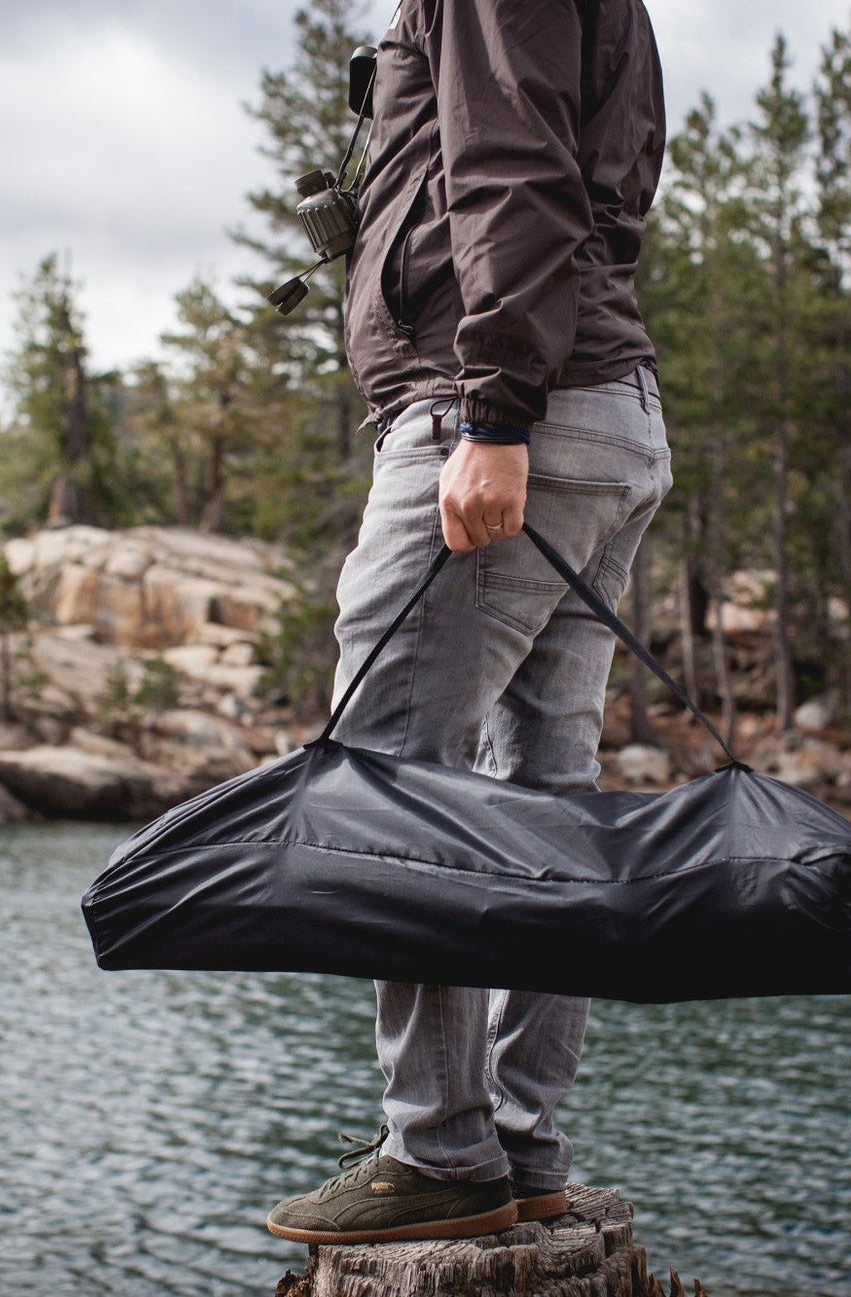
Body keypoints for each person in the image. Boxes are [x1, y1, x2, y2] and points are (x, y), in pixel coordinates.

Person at [265, 0, 669, 1245]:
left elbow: (513, 167)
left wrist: (493, 413)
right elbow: (602, 184)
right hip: (599, 411)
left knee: (393, 779)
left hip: (496, 415)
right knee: (542, 792)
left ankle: (439, 1147)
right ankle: (517, 1143)